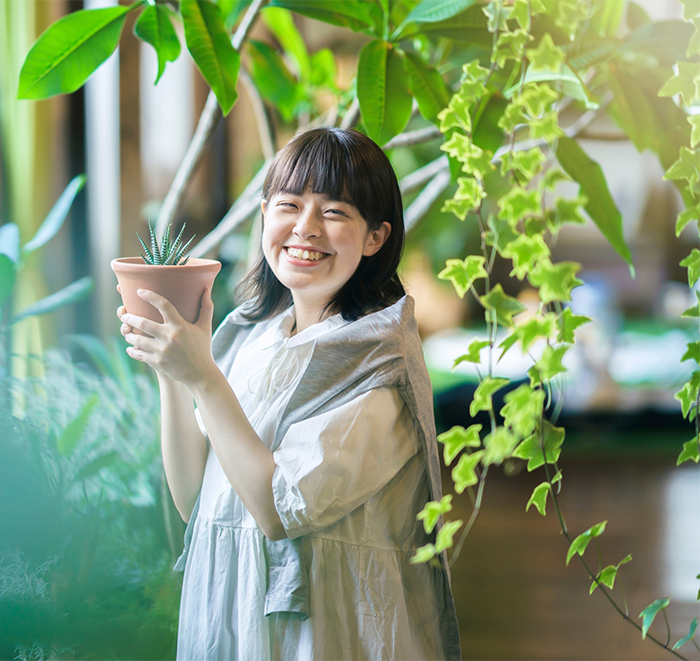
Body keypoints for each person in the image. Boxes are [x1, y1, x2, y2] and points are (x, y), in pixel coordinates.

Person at [117, 127, 461, 660]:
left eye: (335, 212)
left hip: (322, 633)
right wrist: (175, 370)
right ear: (263, 216)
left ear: (376, 237)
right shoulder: (252, 337)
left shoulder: (375, 367)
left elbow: (276, 512)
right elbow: (197, 502)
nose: (305, 228)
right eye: (289, 204)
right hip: (231, 616)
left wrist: (203, 376)